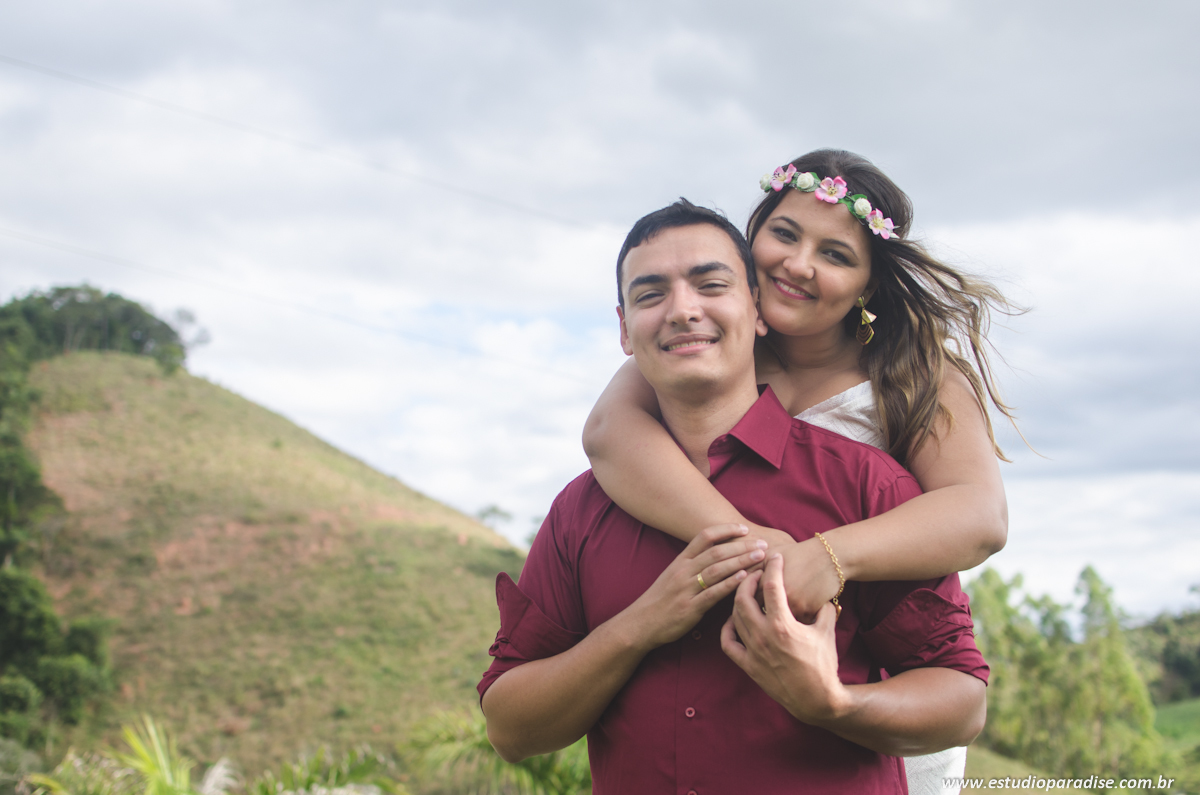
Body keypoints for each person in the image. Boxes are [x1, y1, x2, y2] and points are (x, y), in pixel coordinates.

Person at [478, 200, 988, 794]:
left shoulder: (870, 488)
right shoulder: (585, 507)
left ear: (757, 307)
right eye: (650, 296)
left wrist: (836, 704)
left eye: (711, 284)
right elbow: (510, 728)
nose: (682, 310)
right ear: (623, 329)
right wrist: (639, 625)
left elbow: (962, 702)